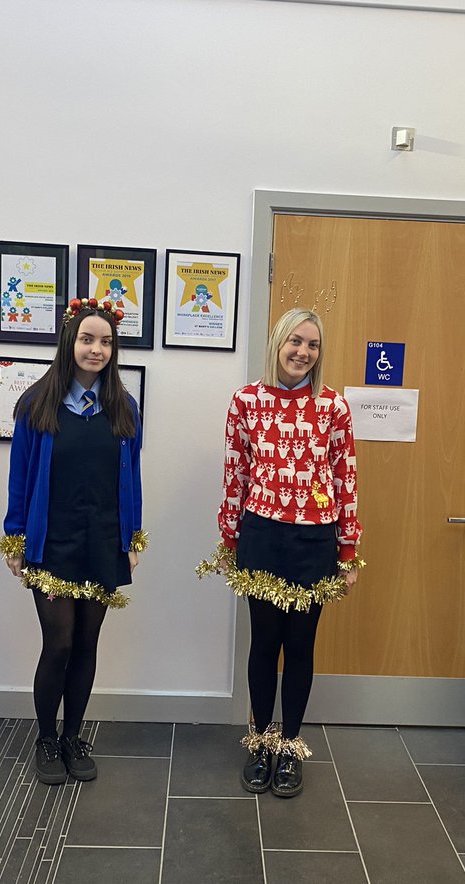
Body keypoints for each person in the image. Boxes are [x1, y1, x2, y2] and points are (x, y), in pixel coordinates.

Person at [198, 307, 363, 798]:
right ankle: (259, 741)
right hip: (262, 535)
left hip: (314, 541)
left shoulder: (332, 406)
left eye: (312, 345)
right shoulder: (247, 401)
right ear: (277, 344)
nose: (303, 352)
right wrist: (230, 535)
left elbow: (345, 476)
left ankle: (290, 746)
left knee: (301, 646)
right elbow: (237, 472)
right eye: (295, 341)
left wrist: (348, 547)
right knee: (264, 643)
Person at [0, 298, 147, 786]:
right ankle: (46, 738)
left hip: (102, 539)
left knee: (87, 641)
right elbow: (19, 477)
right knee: (58, 642)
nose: (96, 349)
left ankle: (73, 736)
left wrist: (131, 537)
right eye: (88, 339)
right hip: (52, 540)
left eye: (106, 341)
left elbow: (133, 477)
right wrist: (15, 537)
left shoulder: (123, 406)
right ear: (70, 341)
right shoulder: (36, 403)